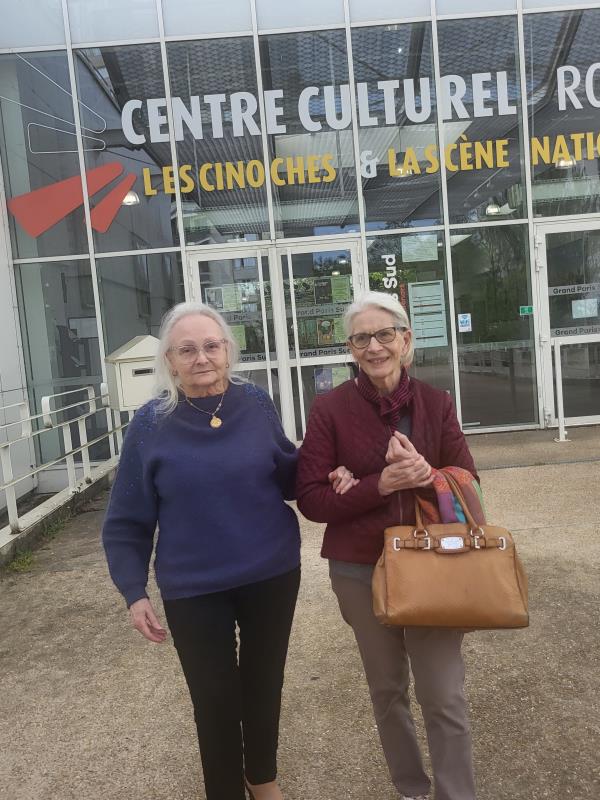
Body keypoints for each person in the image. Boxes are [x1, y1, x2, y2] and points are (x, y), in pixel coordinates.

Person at [102, 301, 354, 800]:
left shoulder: (254, 402)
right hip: (193, 585)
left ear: (228, 351)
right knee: (214, 698)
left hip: (270, 570)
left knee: (263, 683)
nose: (201, 357)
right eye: (187, 350)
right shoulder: (150, 423)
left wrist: (328, 470)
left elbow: (286, 472)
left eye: (211, 346)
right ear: (170, 361)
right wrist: (134, 591)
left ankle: (262, 778)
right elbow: (127, 518)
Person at [296, 291, 479, 800]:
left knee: (443, 694)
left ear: (405, 339)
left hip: (433, 564)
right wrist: (379, 484)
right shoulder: (330, 409)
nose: (374, 347)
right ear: (350, 349)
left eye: (384, 334)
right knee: (387, 690)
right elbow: (311, 500)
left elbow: (469, 481)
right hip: (359, 569)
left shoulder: (436, 403)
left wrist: (429, 474)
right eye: (361, 338)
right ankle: (411, 789)